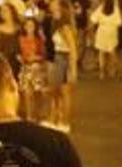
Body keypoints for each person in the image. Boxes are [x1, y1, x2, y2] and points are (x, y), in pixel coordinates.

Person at [48, 0, 80, 132]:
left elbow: (72, 49)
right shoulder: (57, 23)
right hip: (59, 57)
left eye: (54, 3)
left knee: (64, 92)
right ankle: (58, 118)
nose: (51, 5)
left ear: (61, 7)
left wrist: (73, 69)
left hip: (64, 57)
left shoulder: (64, 26)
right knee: (57, 91)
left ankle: (65, 122)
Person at [18, 16, 49, 122]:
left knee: (37, 93)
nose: (29, 27)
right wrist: (21, 58)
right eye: (27, 25)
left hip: (37, 68)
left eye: (31, 25)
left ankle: (37, 114)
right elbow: (17, 53)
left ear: (35, 27)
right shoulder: (20, 39)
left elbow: (44, 54)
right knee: (27, 93)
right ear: (24, 27)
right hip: (25, 67)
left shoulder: (39, 39)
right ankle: (29, 116)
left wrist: (36, 57)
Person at [91, 0, 122, 79]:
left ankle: (101, 72)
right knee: (112, 52)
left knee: (101, 52)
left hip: (102, 31)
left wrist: (100, 21)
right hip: (112, 31)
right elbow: (120, 22)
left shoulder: (101, 8)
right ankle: (112, 70)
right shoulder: (115, 9)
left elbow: (93, 19)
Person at [0, 4, 24, 79]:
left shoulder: (19, 27)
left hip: (18, 61)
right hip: (4, 62)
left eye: (5, 11)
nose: (3, 13)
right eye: (1, 11)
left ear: (12, 12)